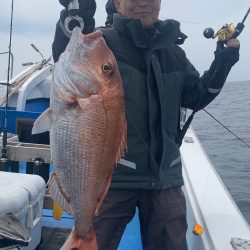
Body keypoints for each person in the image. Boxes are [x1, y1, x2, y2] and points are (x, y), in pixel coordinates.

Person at [52, 0, 240, 249]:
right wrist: (78, 9)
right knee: (90, 236)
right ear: (117, 4)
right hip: (112, 177)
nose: (143, 2)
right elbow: (68, 53)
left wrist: (223, 61)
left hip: (165, 177)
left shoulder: (173, 53)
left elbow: (196, 97)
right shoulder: (102, 43)